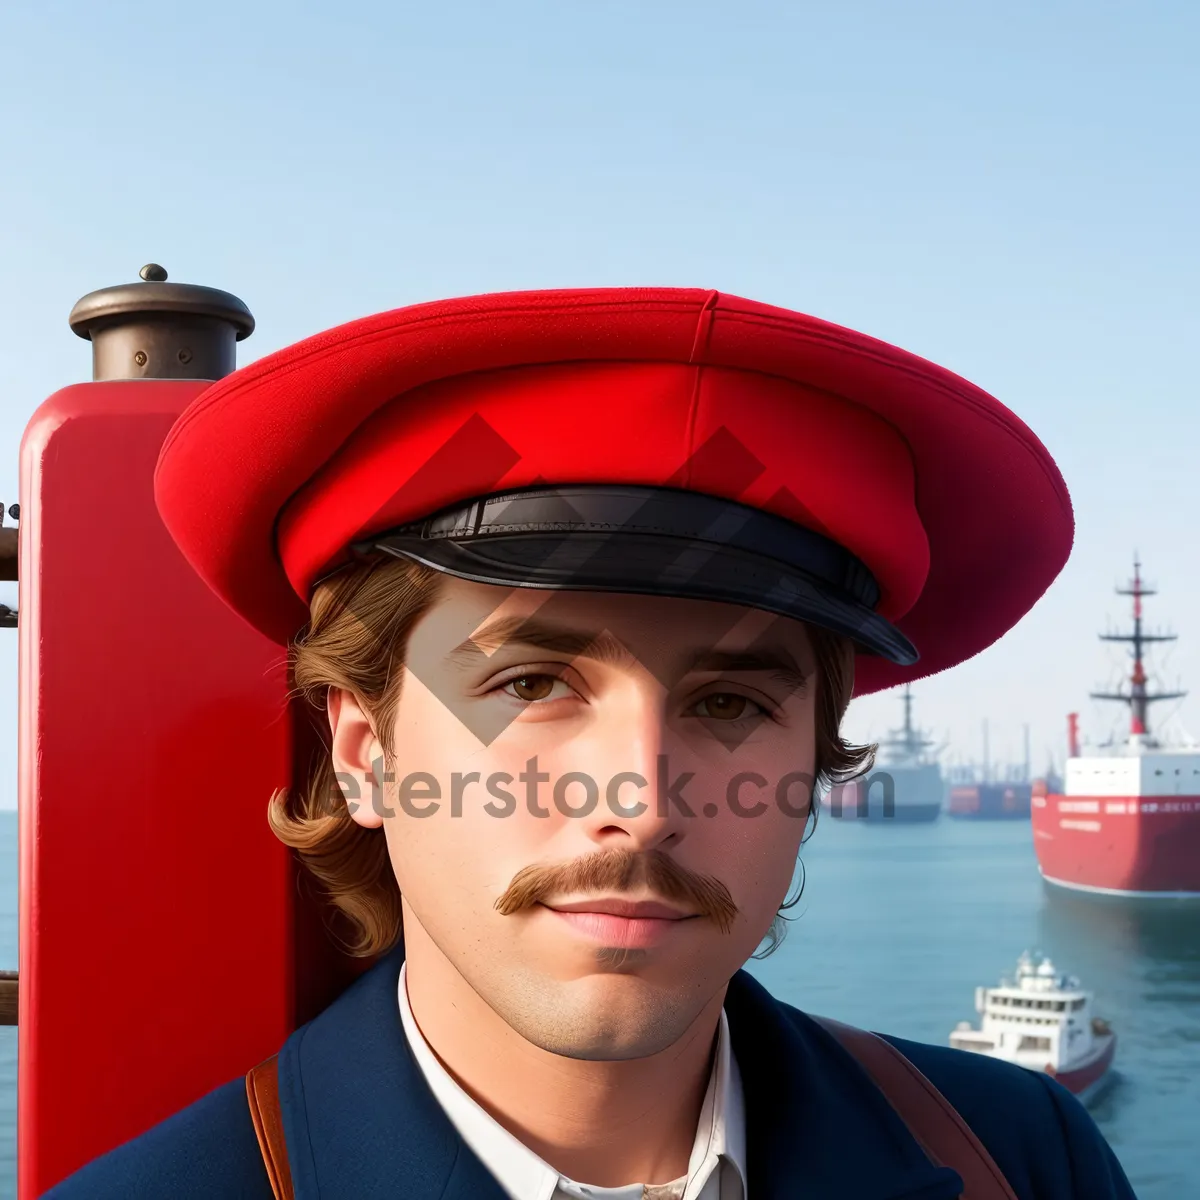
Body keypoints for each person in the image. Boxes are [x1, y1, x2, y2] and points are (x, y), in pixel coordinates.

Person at [46, 288, 1136, 1199]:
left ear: (811, 769)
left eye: (727, 705)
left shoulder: (1026, 1161)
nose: (644, 799)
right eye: (531, 683)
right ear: (366, 752)